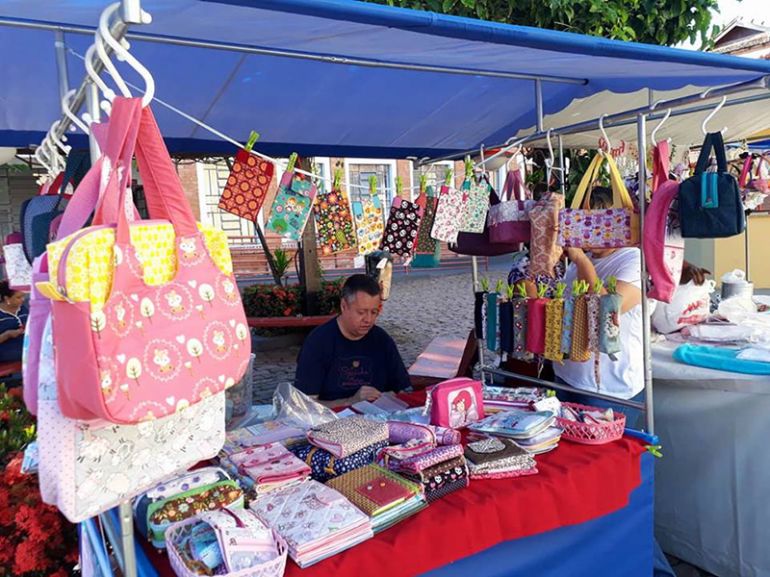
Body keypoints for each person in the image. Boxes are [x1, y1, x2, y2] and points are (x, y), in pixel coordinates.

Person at [294, 274, 411, 408]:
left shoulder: (382, 340)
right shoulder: (318, 342)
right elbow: (304, 406)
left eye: (374, 312)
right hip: (334, 423)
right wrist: (350, 401)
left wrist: (391, 396)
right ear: (344, 306)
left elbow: (403, 390)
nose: (368, 319)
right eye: (361, 312)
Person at [0, 281, 27, 363]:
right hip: (6, 352)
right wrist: (7, 335)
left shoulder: (23, 309)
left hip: (26, 346)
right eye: (18, 297)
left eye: (23, 296)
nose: (23, 300)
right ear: (6, 298)